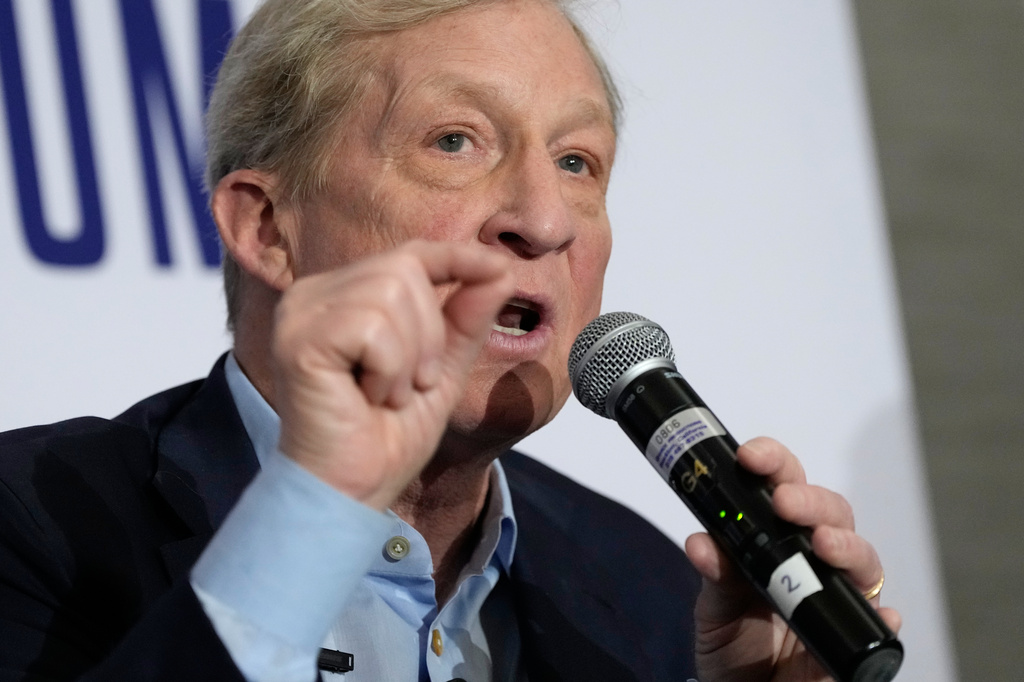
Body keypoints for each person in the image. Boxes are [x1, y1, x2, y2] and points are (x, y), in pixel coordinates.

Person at [0, 0, 901, 680]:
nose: (544, 220)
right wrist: (314, 516)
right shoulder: (33, 525)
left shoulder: (648, 593)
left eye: (577, 161)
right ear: (267, 226)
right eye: (457, 141)